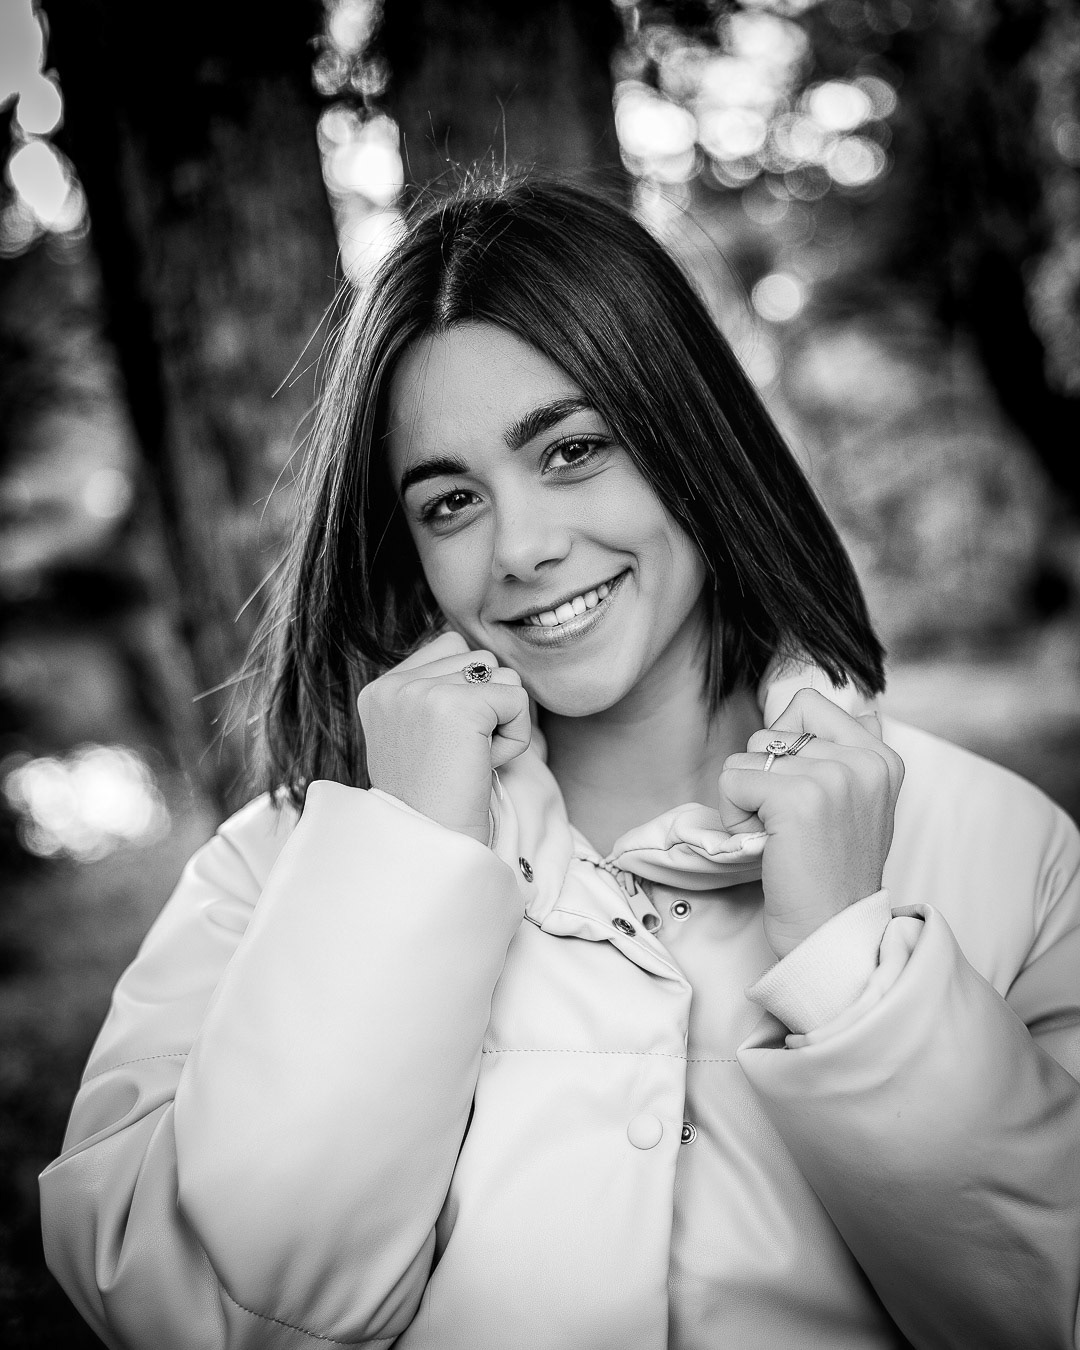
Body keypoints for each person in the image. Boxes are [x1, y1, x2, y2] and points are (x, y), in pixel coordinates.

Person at [40, 174, 1080, 1350]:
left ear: (693, 439)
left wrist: (855, 971)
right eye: (449, 503)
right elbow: (190, 1312)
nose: (522, 548)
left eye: (575, 449)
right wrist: (405, 864)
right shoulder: (277, 869)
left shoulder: (1009, 849)